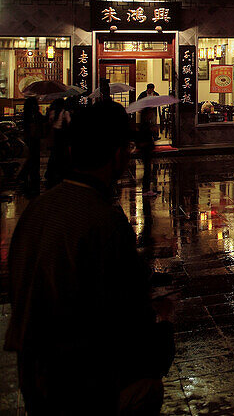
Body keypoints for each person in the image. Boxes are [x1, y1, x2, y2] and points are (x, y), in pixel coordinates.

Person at [5, 100, 175, 414]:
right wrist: (163, 325)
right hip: (80, 385)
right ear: (119, 156)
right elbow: (124, 317)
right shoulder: (104, 221)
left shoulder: (38, 210)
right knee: (148, 389)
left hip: (34, 376)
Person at [16, 96, 45, 196]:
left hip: (30, 138)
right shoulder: (34, 115)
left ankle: (27, 175)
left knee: (33, 157)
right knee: (34, 158)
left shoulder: (27, 114)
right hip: (34, 138)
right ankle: (26, 175)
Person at [44, 98, 72, 189]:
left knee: (54, 154)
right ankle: (62, 171)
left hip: (54, 135)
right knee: (63, 154)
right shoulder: (65, 112)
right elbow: (69, 123)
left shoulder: (52, 112)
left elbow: (49, 122)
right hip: (63, 135)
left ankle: (50, 172)